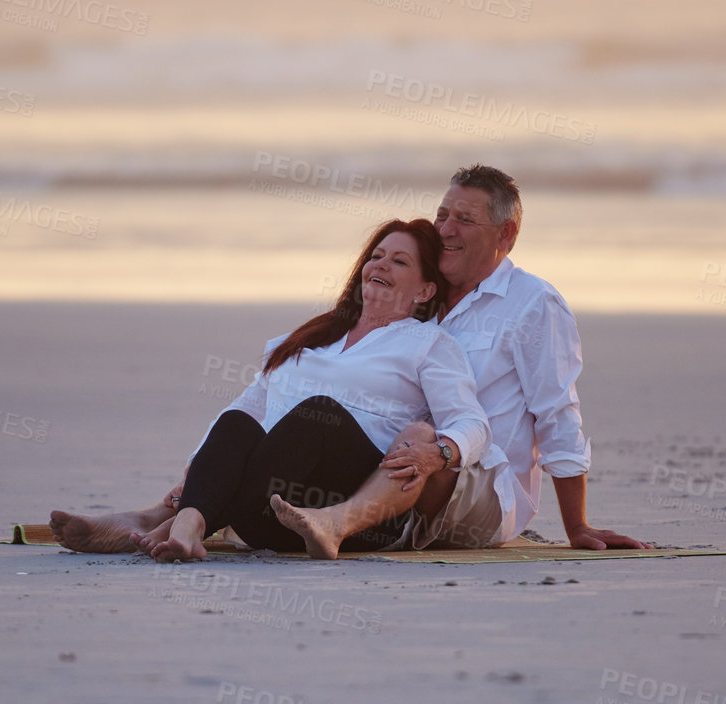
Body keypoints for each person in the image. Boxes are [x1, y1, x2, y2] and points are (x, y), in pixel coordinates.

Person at [49, 219, 490, 562]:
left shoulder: (430, 344)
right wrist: (194, 473)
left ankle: (156, 525)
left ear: (425, 289)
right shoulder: (306, 340)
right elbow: (246, 409)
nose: (380, 265)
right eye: (376, 255)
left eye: (399, 261)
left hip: (350, 504)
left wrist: (443, 453)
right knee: (238, 422)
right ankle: (184, 522)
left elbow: (471, 422)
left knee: (317, 414)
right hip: (264, 517)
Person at [271, 165, 649, 558]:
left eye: (465, 220)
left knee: (422, 435)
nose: (445, 230)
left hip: (481, 484)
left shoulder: (533, 303)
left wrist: (577, 525)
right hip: (393, 467)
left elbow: (557, 412)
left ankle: (339, 523)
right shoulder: (418, 294)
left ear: (506, 234)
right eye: (442, 215)